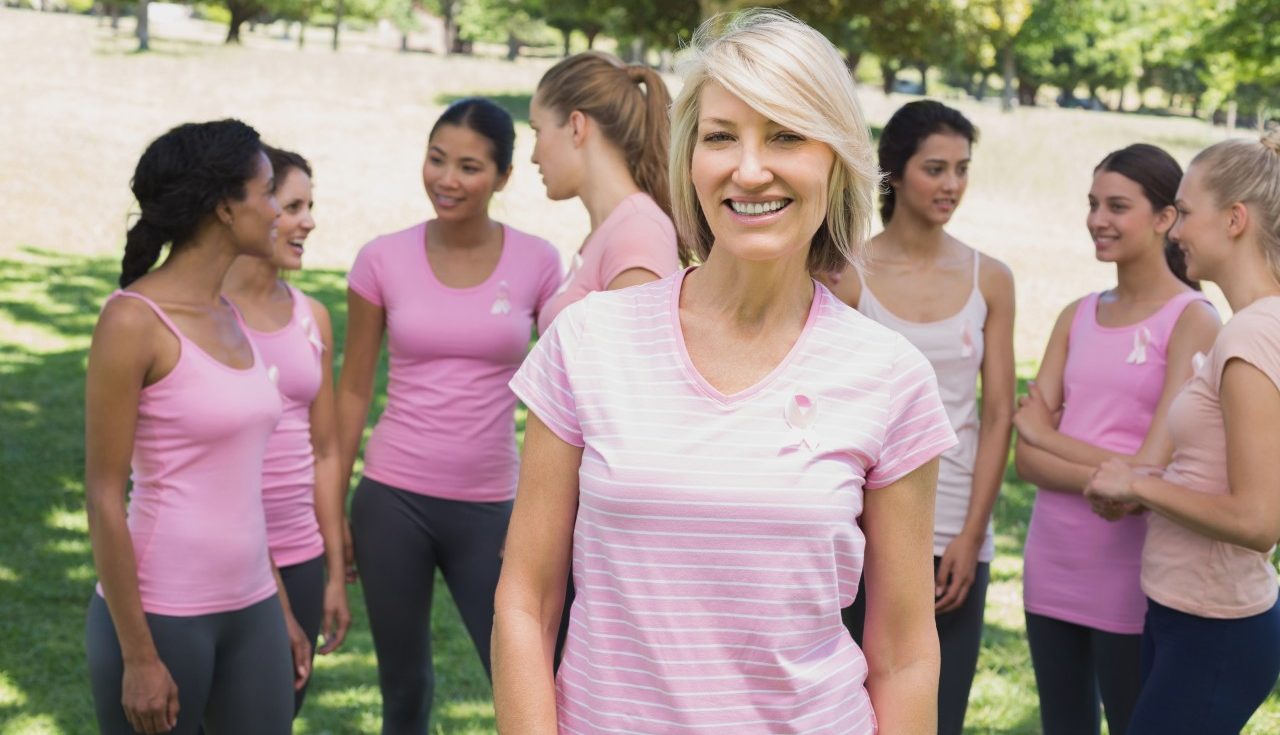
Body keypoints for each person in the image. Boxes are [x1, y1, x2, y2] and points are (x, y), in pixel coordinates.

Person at [493, 11, 958, 733]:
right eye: (720, 136)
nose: (748, 168)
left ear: (836, 157)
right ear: (688, 158)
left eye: (785, 134)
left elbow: (902, 652)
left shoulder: (889, 376)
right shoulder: (587, 340)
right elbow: (526, 598)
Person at [336, 97, 563, 733]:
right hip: (391, 503)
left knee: (528, 681)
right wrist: (329, 509)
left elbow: (571, 387)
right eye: (436, 160)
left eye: (469, 166)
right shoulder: (380, 259)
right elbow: (353, 390)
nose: (447, 179)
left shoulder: (539, 262)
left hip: (492, 506)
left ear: (503, 178)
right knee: (403, 691)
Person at [84, 119, 308, 735]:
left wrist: (281, 607)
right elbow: (103, 495)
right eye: (267, 193)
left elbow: (238, 485)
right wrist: (138, 656)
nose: (279, 212)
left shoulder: (231, 313)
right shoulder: (133, 321)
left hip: (255, 605)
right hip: (161, 612)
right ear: (223, 208)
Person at [1014, 143, 1220, 735]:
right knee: (1064, 725)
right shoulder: (1075, 314)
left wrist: (1050, 438)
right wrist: (1114, 475)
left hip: (1130, 570)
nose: (1098, 220)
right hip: (1051, 560)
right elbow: (1026, 458)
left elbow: (1150, 476)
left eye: (1118, 206)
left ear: (1164, 218)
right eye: (1092, 204)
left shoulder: (1193, 318)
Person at [824, 100, 1015, 735]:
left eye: (962, 169)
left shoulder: (992, 279)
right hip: (862, 533)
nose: (952, 185)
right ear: (895, 172)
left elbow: (996, 416)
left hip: (958, 532)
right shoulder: (849, 276)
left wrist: (971, 536)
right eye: (936, 169)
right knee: (852, 712)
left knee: (939, 716)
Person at [1085, 131, 1280, 734]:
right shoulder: (1252, 326)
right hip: (1187, 614)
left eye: (1187, 213)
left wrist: (1140, 486)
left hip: (1214, 625)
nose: (1174, 231)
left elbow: (1259, 522)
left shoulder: (1250, 337)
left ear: (1236, 220)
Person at [221, 145, 351, 717]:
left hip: (297, 552)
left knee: (276, 716)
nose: (309, 221)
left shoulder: (311, 317)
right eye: (294, 205)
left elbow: (325, 451)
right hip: (217, 555)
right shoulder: (200, 314)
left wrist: (333, 569)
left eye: (310, 205)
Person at [529, 49, 686, 333]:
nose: (534, 155)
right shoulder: (611, 230)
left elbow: (634, 368)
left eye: (537, 131)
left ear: (576, 127)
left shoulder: (638, 232)